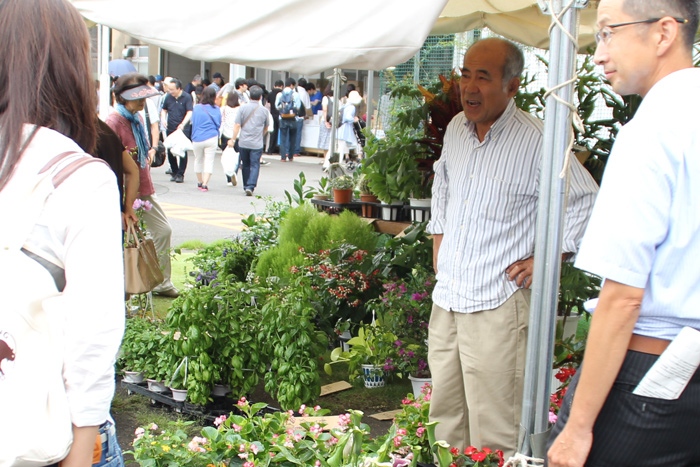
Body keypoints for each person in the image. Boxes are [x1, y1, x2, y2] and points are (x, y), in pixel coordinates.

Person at [426, 37, 598, 457]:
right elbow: (443, 187)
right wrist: (439, 241)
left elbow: (586, 200)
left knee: (497, 431)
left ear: (513, 86)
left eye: (482, 77)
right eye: (465, 75)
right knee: (445, 422)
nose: (469, 87)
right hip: (448, 299)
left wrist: (549, 258)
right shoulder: (456, 131)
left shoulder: (540, 140)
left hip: (498, 304)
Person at [547, 1, 700, 466]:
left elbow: (623, 296)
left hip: (651, 368)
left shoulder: (653, 129)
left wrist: (576, 429)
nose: (597, 53)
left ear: (663, 33)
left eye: (609, 32)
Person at [0, 1, 125, 466]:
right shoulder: (76, 175)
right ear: (67, 65)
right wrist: (81, 452)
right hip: (42, 433)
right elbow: (94, 329)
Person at [107, 73, 180, 299]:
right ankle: (126, 289)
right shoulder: (113, 123)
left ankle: (160, 281)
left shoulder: (136, 119)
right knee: (125, 242)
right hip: (126, 192)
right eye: (137, 98)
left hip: (144, 187)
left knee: (161, 231)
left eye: (143, 97)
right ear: (122, 98)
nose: (142, 102)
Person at [230, 85, 269, 196]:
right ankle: (251, 186)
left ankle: (246, 185)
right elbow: (266, 127)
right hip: (257, 143)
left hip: (244, 141)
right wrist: (261, 135)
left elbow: (237, 125)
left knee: (245, 164)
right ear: (260, 97)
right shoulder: (264, 111)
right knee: (255, 164)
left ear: (250, 95)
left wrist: (233, 139)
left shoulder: (242, 108)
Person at [161, 78, 193, 183]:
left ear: (179, 89)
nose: (170, 91)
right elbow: (164, 110)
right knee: (170, 149)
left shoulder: (187, 97)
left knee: (182, 150)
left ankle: (181, 174)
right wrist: (164, 119)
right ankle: (174, 171)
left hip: (183, 128)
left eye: (172, 89)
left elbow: (189, 112)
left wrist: (183, 123)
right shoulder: (168, 97)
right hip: (171, 127)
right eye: (169, 89)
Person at [190, 86, 221, 192]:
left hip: (197, 137)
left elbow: (193, 122)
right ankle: (205, 184)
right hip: (211, 137)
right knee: (209, 161)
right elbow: (218, 123)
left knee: (198, 159)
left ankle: (199, 181)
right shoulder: (216, 109)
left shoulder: (197, 108)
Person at [276, 78, 302, 162]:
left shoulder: (280, 94)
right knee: (292, 137)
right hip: (293, 118)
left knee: (283, 137)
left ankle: (283, 157)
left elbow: (277, 106)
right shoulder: (296, 94)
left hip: (282, 118)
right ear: (291, 85)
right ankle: (291, 156)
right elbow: (298, 107)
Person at [220, 92, 240, 186]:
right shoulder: (240, 109)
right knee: (236, 157)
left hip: (225, 135)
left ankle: (229, 178)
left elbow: (220, 120)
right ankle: (234, 172)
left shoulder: (224, 109)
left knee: (227, 157)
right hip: (237, 135)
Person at [319, 84, 334, 170]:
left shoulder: (325, 98)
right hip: (333, 121)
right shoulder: (337, 99)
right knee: (330, 141)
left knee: (325, 140)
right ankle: (329, 159)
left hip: (326, 121)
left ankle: (325, 159)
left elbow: (325, 109)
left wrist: (325, 121)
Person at [267, 80, 284, 154]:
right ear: (281, 86)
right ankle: (282, 151)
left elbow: (268, 105)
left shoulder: (270, 93)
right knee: (282, 133)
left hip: (272, 114)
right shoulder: (282, 94)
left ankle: (271, 149)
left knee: (273, 133)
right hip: (280, 115)